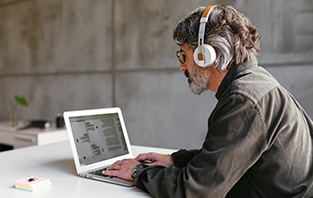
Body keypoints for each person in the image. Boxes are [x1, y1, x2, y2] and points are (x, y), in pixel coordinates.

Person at [103, 4, 313, 198]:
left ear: (206, 55)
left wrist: (138, 171)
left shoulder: (244, 100)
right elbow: (229, 155)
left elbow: (196, 190)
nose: (182, 66)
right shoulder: (255, 81)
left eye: (183, 55)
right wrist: (175, 160)